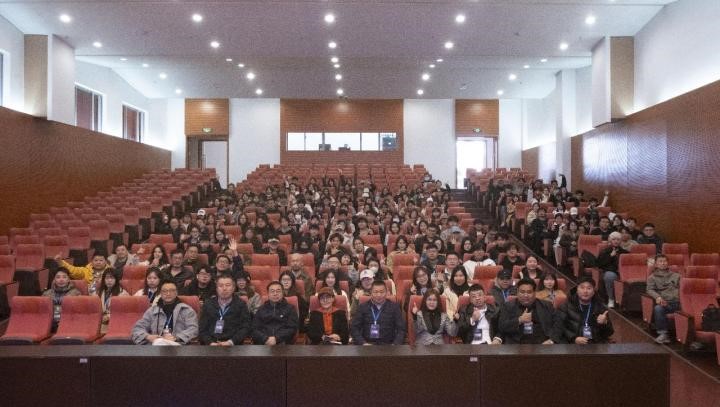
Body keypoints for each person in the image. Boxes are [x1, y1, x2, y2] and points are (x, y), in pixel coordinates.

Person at [131, 280, 199, 345]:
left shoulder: (186, 310)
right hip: (155, 346)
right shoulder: (152, 311)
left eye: (171, 291)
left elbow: (194, 329)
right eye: (164, 291)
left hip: (179, 346)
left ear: (176, 292)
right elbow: (138, 328)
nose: (168, 294)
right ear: (160, 293)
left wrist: (176, 338)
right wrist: (148, 337)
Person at [497, 279, 560, 344]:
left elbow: (557, 325)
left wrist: (551, 340)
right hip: (516, 344)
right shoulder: (507, 306)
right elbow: (501, 326)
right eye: (522, 292)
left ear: (535, 293)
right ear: (517, 292)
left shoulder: (547, 306)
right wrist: (519, 320)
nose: (525, 295)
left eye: (529, 292)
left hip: (542, 344)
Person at [556, 277, 613, 344]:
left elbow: (609, 333)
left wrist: (605, 323)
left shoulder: (600, 307)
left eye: (589, 288)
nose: (585, 291)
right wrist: (573, 338)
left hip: (595, 343)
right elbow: (559, 327)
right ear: (577, 290)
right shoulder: (566, 306)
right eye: (582, 288)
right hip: (572, 344)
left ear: (593, 292)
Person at [198, 274, 251, 346]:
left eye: (228, 285)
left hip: (233, 345)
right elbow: (202, 329)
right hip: (211, 345)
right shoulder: (208, 304)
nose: (224, 288)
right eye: (221, 286)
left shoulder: (241, 305)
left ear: (233, 288)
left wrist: (231, 342)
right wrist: (210, 342)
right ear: (216, 289)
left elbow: (245, 328)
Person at [351, 280, 406, 345]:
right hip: (367, 345)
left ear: (387, 293)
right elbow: (354, 328)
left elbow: (401, 329)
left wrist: (395, 344)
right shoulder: (362, 307)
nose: (379, 295)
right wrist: (363, 343)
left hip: (389, 345)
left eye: (382, 292)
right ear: (371, 293)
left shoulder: (394, 307)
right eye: (375, 292)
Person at [251, 281, 299, 345]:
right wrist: (265, 339)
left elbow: (292, 329)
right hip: (263, 343)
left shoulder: (290, 309)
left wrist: (276, 339)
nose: (275, 294)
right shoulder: (261, 309)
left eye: (278, 291)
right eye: (272, 291)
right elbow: (254, 328)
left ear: (283, 293)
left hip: (283, 343)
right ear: (268, 294)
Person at [645, 255, 680, 344]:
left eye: (665, 261)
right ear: (656, 264)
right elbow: (649, 290)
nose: (663, 263)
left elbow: (684, 289)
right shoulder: (652, 277)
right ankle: (663, 334)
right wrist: (658, 297)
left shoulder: (676, 276)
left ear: (668, 263)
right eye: (660, 261)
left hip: (679, 303)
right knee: (658, 308)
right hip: (666, 303)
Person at [596, 232, 628, 308]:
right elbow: (599, 264)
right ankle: (611, 299)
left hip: (623, 273)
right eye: (614, 239)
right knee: (610, 276)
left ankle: (626, 302)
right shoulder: (605, 251)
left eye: (618, 239)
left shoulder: (624, 252)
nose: (616, 241)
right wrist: (610, 256)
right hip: (611, 272)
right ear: (610, 240)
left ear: (620, 241)